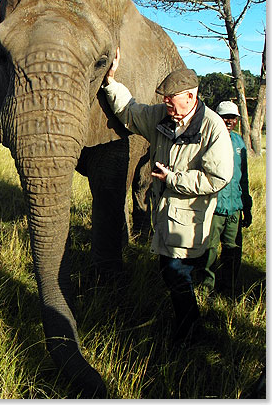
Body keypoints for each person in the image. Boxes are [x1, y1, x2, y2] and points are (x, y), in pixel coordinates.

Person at [102, 48, 233, 345]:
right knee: (174, 272)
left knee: (175, 272)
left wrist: (174, 178)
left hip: (188, 219)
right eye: (164, 98)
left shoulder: (212, 128)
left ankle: (189, 332)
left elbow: (218, 177)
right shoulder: (163, 116)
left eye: (171, 99)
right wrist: (111, 82)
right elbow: (132, 113)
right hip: (164, 216)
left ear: (191, 95)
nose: (166, 104)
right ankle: (190, 324)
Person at [202, 101, 252, 297]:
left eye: (233, 117)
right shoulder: (207, 138)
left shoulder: (239, 143)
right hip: (215, 206)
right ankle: (206, 288)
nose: (229, 120)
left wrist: (246, 206)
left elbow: (244, 177)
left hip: (235, 207)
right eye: (225, 117)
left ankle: (229, 289)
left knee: (233, 250)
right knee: (210, 250)